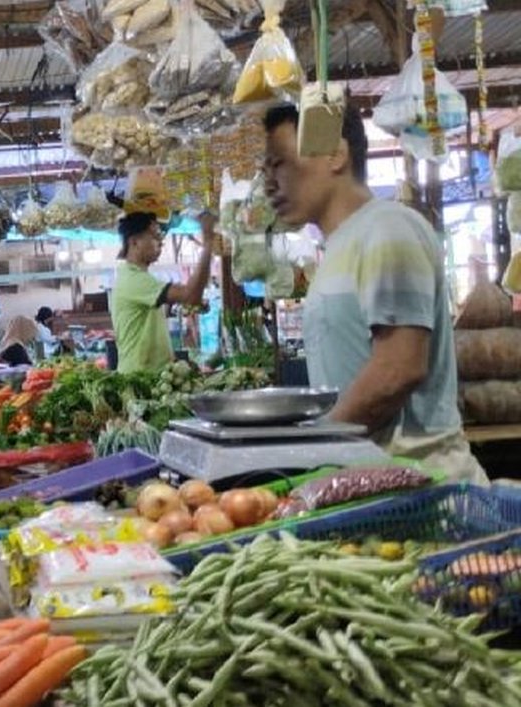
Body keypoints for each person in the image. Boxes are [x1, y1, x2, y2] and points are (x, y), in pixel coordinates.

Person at [263, 103, 486, 482]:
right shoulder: (339, 246)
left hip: (424, 491)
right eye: (264, 169)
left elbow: (397, 370)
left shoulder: (387, 228)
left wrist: (314, 446)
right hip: (376, 485)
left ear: (335, 154)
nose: (268, 182)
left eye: (279, 163)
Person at [111, 212, 217, 373]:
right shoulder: (133, 279)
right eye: (155, 236)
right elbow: (191, 296)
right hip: (140, 380)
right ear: (134, 242)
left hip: (152, 375)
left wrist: (175, 361)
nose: (160, 242)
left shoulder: (139, 276)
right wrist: (208, 242)